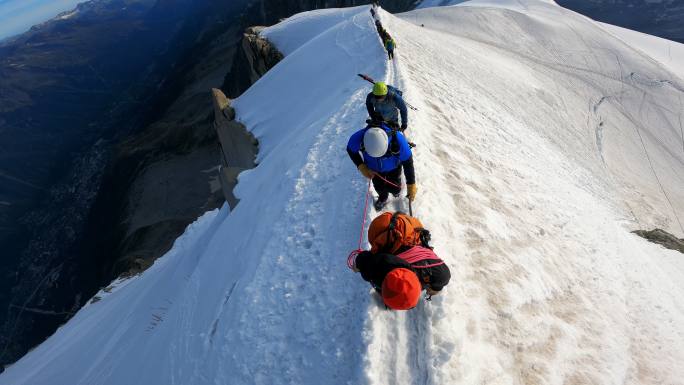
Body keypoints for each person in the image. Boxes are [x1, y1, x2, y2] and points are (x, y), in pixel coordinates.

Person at [348, 212, 451, 310]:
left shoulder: (443, 275)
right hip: (392, 231)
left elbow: (362, 259)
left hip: (402, 233)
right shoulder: (377, 270)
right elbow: (363, 260)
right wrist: (358, 265)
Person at [347, 122, 416, 210]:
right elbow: (351, 150)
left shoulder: (398, 140)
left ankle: (396, 191)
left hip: (393, 167)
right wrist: (361, 166)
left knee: (395, 188)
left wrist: (411, 184)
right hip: (374, 170)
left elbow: (408, 163)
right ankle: (383, 198)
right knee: (379, 187)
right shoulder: (358, 138)